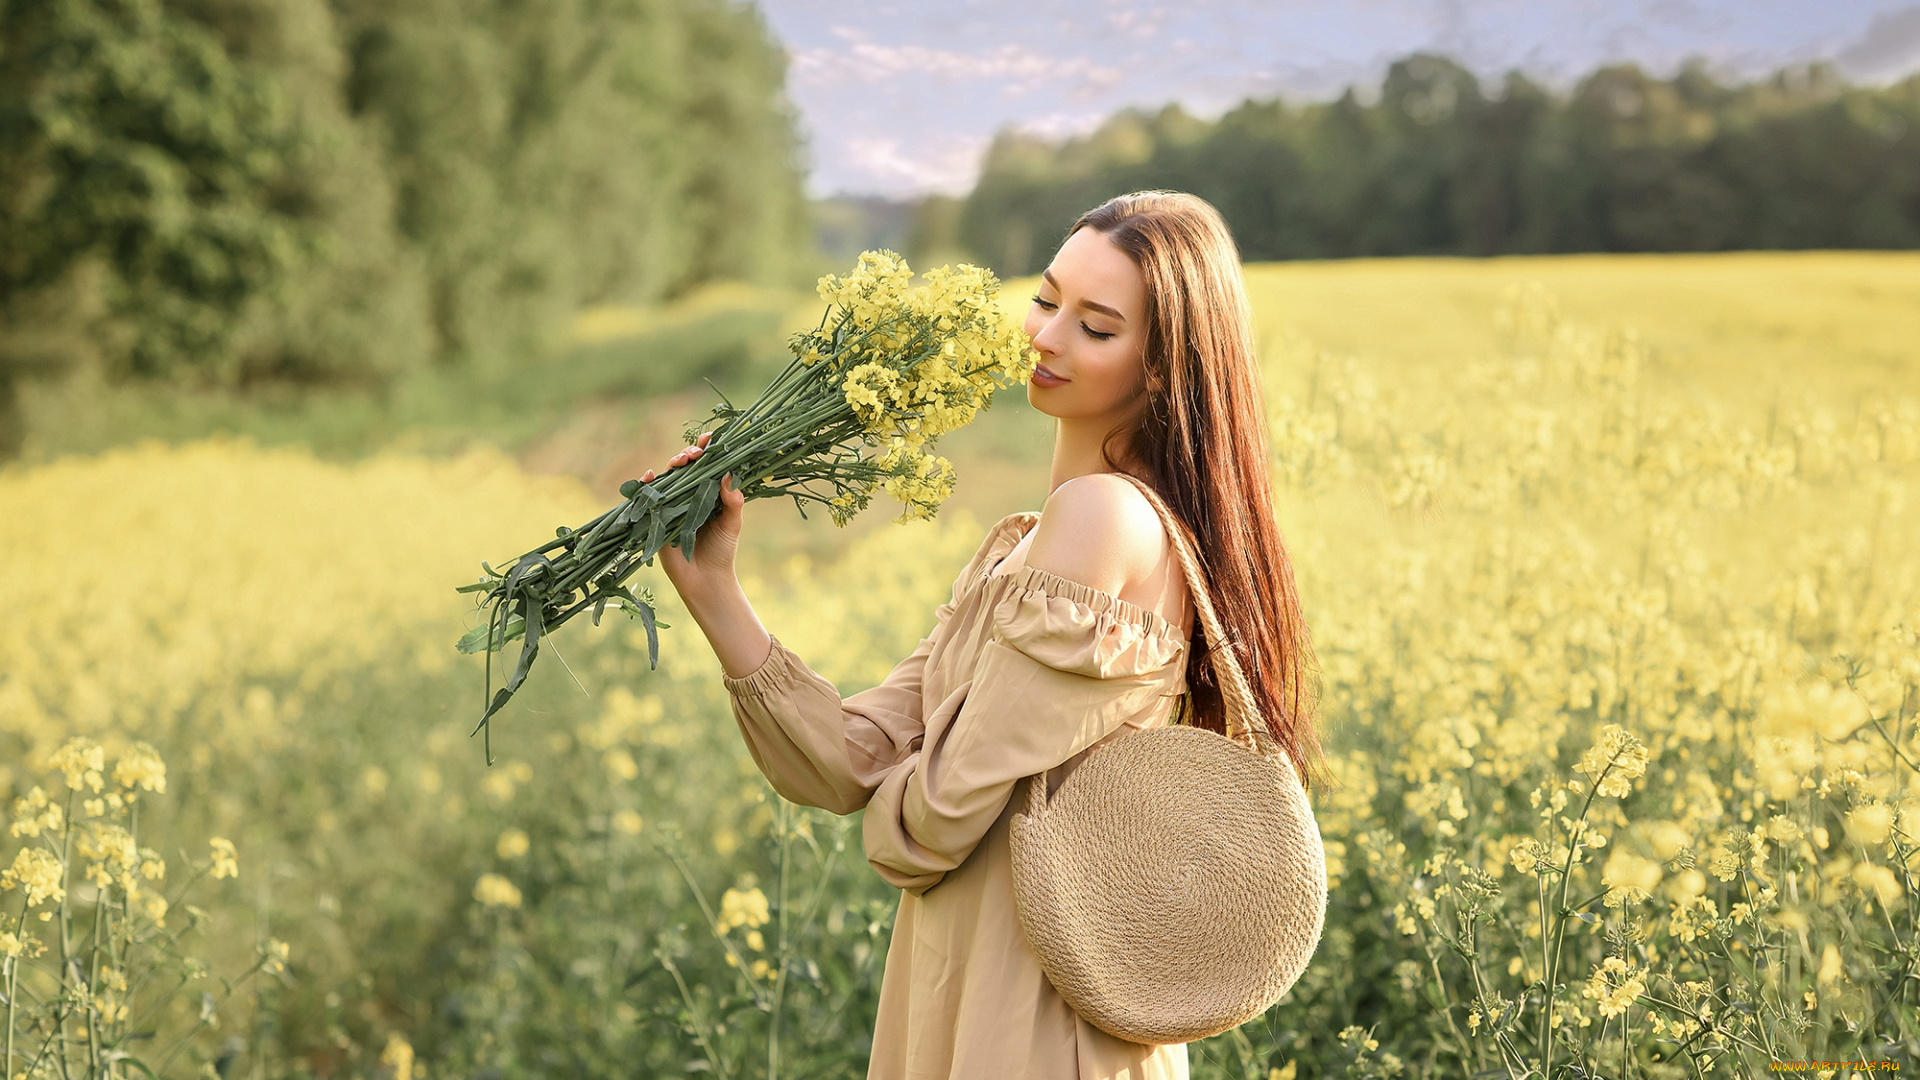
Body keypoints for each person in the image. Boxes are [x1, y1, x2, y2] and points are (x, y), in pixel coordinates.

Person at [642, 190, 1324, 1080]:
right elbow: (853, 760)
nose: (1045, 337)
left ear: (1164, 369)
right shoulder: (1027, 541)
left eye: (1097, 326)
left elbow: (930, 819)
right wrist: (716, 591)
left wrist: (901, 796)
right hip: (967, 982)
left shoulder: (1103, 518)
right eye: (1047, 301)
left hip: (1036, 1015)